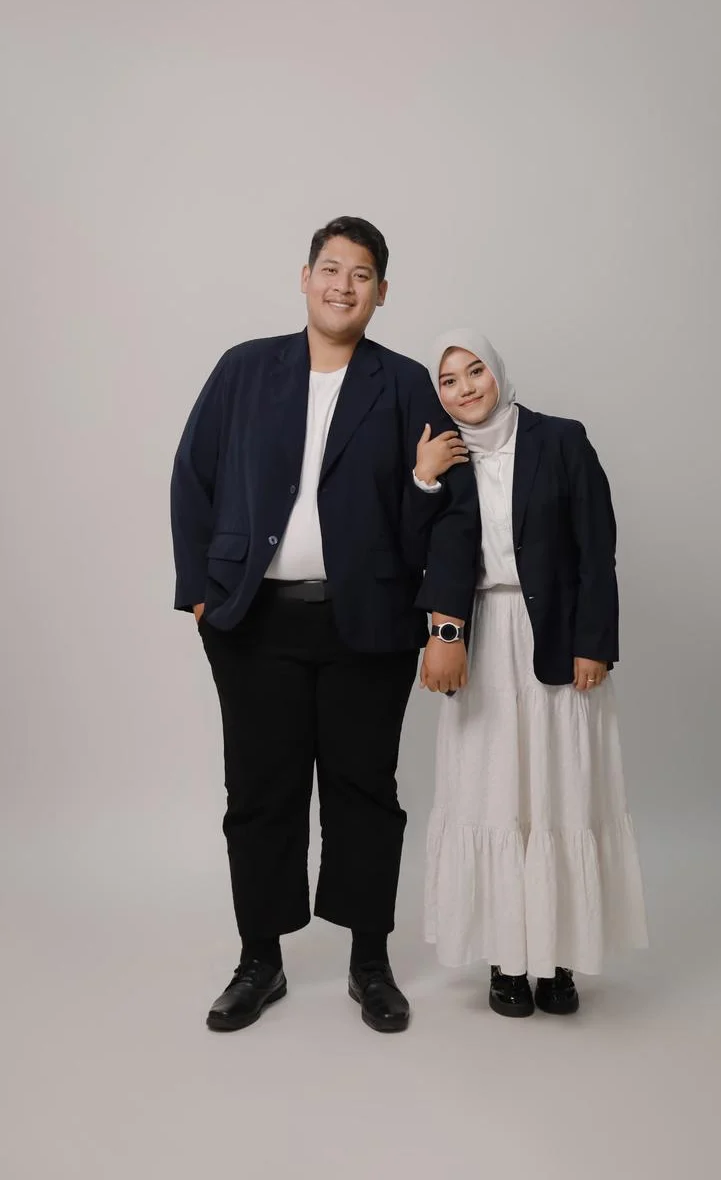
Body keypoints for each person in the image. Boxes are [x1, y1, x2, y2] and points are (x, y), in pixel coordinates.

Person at [170, 219, 478, 1034]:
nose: (344, 285)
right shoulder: (244, 369)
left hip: (368, 622)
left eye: (362, 274)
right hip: (251, 621)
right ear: (304, 277)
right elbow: (192, 477)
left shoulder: (405, 384)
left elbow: (451, 512)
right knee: (258, 793)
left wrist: (445, 620)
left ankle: (369, 962)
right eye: (331, 269)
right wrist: (200, 595)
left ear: (382, 292)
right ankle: (259, 961)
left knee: (364, 792)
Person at [415, 331, 647, 1018]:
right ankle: (507, 960)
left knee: (560, 790)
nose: (465, 388)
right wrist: (423, 479)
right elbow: (410, 547)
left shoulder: (561, 440)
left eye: (474, 371)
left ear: (497, 372)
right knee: (494, 794)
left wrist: (593, 642)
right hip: (482, 639)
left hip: (557, 637)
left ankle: (560, 958)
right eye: (448, 380)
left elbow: (597, 548)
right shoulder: (444, 457)